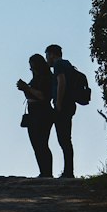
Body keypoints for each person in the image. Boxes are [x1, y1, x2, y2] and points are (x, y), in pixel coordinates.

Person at [16, 53, 54, 178]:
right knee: (36, 144)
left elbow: (43, 96)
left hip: (42, 112)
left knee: (42, 143)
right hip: (33, 112)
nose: (31, 69)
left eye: (32, 66)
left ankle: (47, 172)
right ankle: (44, 171)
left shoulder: (46, 78)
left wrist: (27, 88)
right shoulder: (36, 79)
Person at [45, 43, 76, 179]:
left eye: (47, 55)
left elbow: (61, 82)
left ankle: (68, 172)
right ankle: (68, 170)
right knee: (66, 139)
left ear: (52, 54)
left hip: (63, 105)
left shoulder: (59, 65)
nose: (47, 59)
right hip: (70, 104)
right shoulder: (68, 64)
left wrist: (58, 102)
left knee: (64, 139)